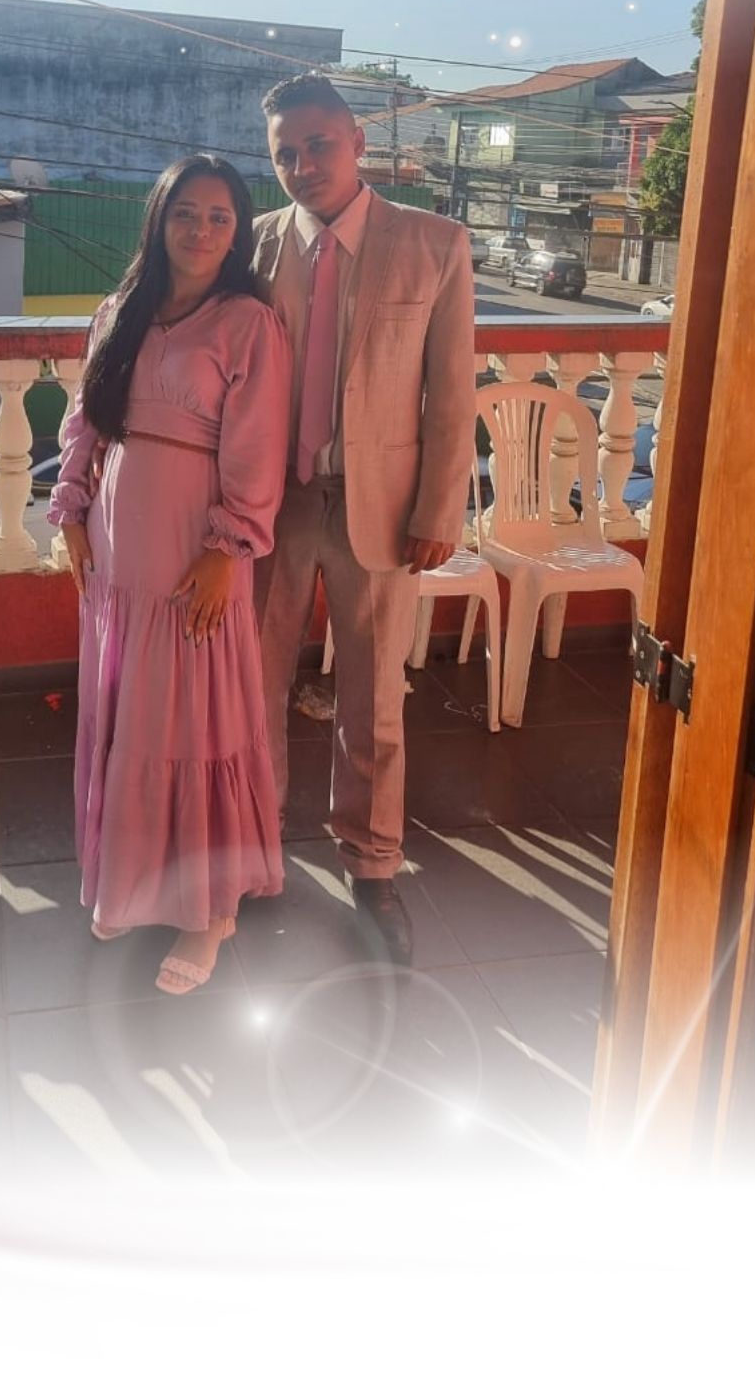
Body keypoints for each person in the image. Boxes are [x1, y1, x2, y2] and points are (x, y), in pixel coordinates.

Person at [49, 154, 291, 995]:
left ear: (239, 230)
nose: (201, 230)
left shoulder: (249, 323)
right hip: (118, 549)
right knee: (129, 717)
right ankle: (132, 882)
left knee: (194, 722)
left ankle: (207, 913)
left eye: (220, 217)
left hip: (198, 548)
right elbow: (86, 420)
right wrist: (70, 511)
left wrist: (228, 548)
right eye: (186, 212)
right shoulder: (120, 310)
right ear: (159, 219)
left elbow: (258, 449)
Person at [253, 72, 476, 965]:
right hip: (270, 504)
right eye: (284, 153)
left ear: (357, 143)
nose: (303, 165)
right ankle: (253, 847)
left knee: (374, 700)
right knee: (251, 687)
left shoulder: (434, 243)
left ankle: (374, 864)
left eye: (318, 145)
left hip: (378, 506)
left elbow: (451, 392)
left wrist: (439, 507)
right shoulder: (252, 246)